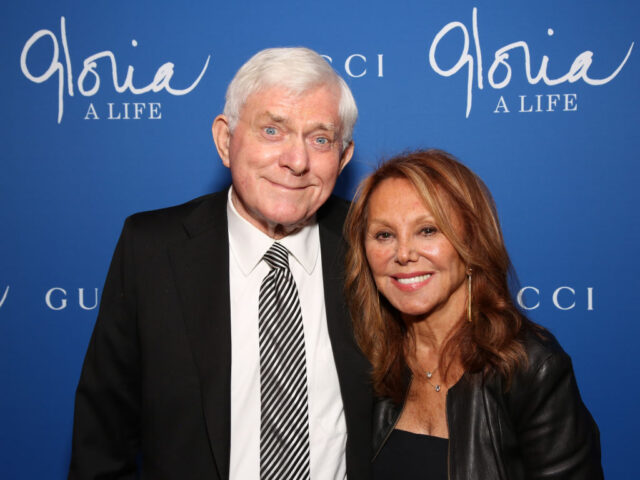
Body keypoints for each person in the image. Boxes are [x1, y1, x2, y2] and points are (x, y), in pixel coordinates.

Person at [68, 47, 372, 480]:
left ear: (343, 159)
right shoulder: (152, 250)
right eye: (272, 130)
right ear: (226, 140)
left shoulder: (374, 245)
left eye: (320, 139)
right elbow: (102, 440)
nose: (297, 160)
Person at [344, 149, 603, 479]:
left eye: (428, 230)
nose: (404, 253)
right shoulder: (366, 357)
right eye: (384, 235)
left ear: (472, 242)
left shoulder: (527, 367)